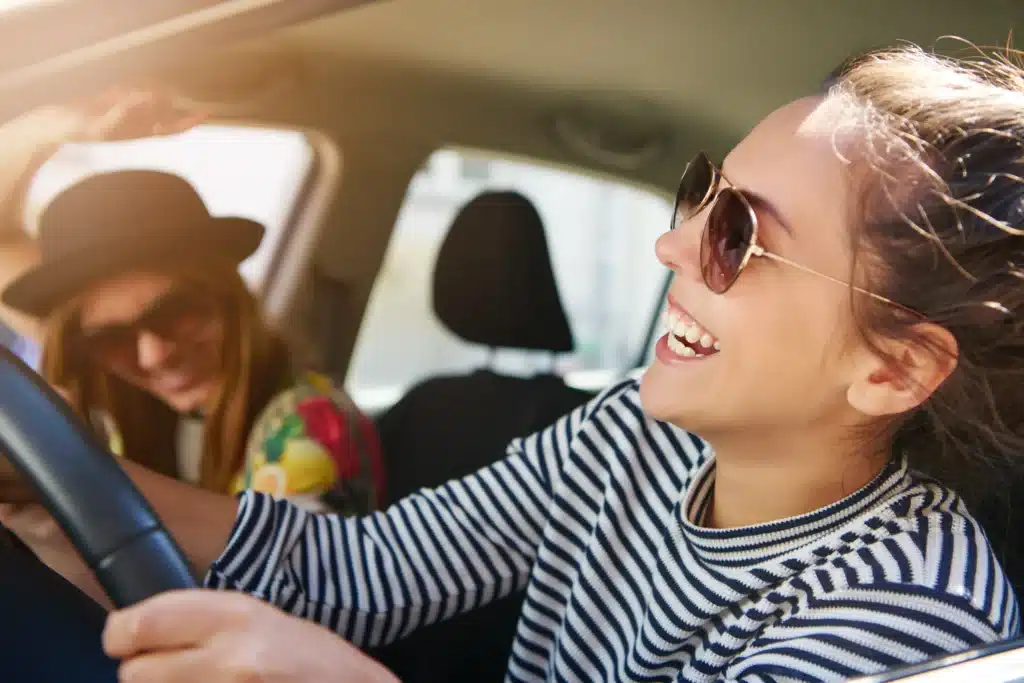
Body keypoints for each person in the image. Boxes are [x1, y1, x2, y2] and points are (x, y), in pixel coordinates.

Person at [7, 44, 1024, 682]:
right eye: (700, 195)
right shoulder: (633, 426)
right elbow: (356, 570)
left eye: (737, 237)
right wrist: (54, 491)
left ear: (892, 370)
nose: (671, 247)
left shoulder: (908, 622)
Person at [0, 96, 385, 601]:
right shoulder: (107, 377)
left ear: (228, 298)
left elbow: (306, 595)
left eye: (176, 313)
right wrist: (54, 128)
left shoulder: (306, 425)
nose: (152, 355)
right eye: (112, 337)